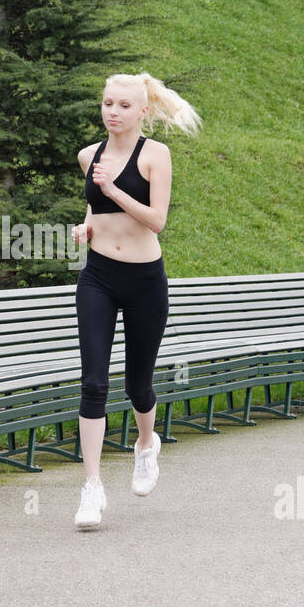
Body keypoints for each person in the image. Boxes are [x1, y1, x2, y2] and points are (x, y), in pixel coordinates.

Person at [70, 72, 202, 529]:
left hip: (145, 281)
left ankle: (146, 444)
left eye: (124, 105)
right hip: (98, 279)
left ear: (142, 111)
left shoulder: (155, 156)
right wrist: (86, 225)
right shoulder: (89, 156)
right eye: (107, 103)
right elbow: (95, 207)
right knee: (93, 383)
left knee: (137, 385)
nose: (112, 112)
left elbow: (156, 220)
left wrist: (111, 189)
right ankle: (91, 488)